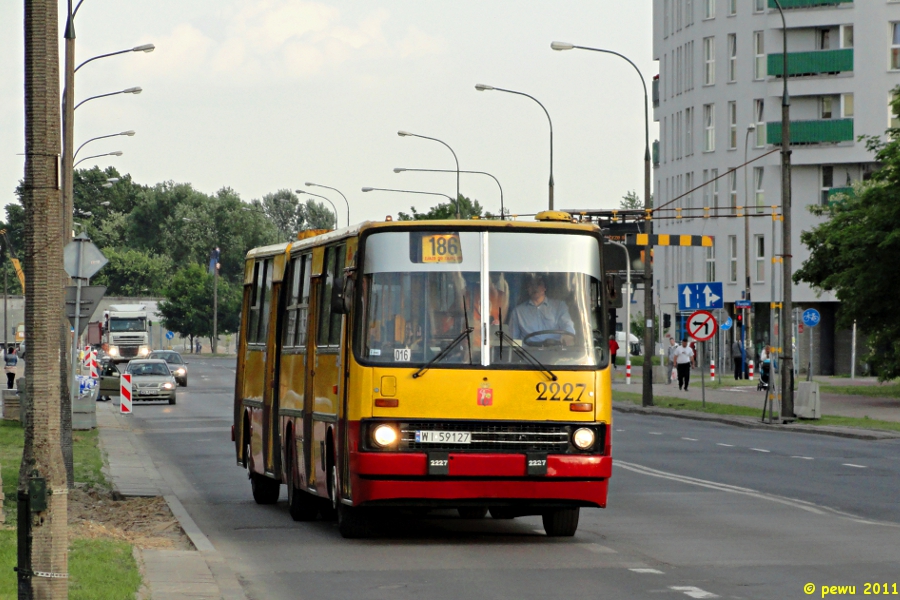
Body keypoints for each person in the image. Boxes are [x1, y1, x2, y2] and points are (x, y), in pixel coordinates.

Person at [508, 274, 575, 345]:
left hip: (555, 352)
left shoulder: (559, 306)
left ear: (544, 287)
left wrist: (568, 337)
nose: (534, 288)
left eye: (538, 284)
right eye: (531, 285)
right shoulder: (517, 312)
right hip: (527, 353)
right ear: (527, 289)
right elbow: (513, 339)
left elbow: (567, 325)